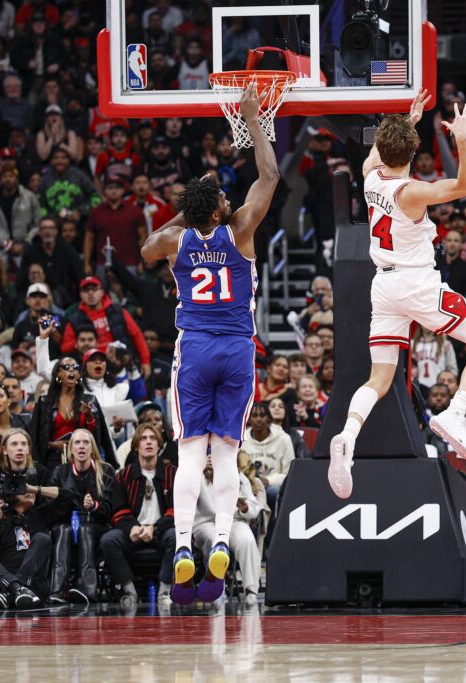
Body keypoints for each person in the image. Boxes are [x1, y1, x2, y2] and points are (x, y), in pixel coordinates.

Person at [328, 92, 466, 498]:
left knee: (380, 377)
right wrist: (462, 137)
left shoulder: (370, 174)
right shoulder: (410, 192)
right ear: (413, 149)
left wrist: (405, 122)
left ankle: (348, 436)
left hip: (384, 286)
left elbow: (380, 153)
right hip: (417, 283)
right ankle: (457, 413)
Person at [139, 83, 276, 605]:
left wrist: (185, 212)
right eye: (221, 197)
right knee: (229, 451)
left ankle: (181, 549)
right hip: (238, 350)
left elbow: (148, 248)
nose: (228, 198)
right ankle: (220, 539)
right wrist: (252, 119)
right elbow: (270, 176)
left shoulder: (176, 240)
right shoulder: (240, 229)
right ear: (219, 211)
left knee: (191, 455)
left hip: (193, 349)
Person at [0, 428, 68, 609]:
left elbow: (69, 497)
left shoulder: (39, 472)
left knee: (42, 537)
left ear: (29, 449)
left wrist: (34, 489)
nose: (19, 448)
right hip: (3, 526)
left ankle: (13, 590)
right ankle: (17, 589)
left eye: (24, 444)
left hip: (21, 576)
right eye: (14, 444)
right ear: (5, 449)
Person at [100, 424, 177, 609]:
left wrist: (154, 528)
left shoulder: (173, 473)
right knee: (108, 540)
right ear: (136, 446)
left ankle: (165, 590)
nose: (148, 442)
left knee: (177, 536)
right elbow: (118, 510)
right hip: (133, 532)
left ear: (159, 446)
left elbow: (177, 511)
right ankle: (129, 591)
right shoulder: (124, 476)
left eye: (152, 438)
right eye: (143, 439)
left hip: (161, 531)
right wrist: (132, 528)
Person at [46, 428, 115, 605]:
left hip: (95, 524)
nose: (82, 446)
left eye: (86, 442)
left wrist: (94, 506)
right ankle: (57, 591)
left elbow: (111, 509)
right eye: (77, 442)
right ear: (71, 450)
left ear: (92, 448)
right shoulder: (59, 472)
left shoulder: (105, 471)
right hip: (66, 524)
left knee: (86, 530)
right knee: (63, 530)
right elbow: (50, 510)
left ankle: (87, 589)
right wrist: (65, 502)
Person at [193, 451, 262, 605]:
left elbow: (254, 506)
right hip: (206, 522)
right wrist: (198, 467)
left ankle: (251, 590)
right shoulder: (196, 472)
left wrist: (245, 508)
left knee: (247, 539)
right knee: (215, 539)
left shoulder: (237, 475)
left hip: (234, 521)